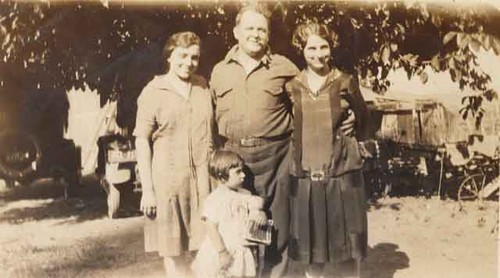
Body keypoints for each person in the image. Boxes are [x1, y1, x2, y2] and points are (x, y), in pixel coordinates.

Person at [209, 4, 299, 277]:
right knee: (238, 229)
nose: (256, 34)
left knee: (275, 228)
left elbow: (308, 107)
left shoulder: (284, 67)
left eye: (262, 29)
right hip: (235, 158)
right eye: (250, 28)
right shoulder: (219, 71)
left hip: (277, 156)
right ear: (236, 32)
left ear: (268, 35)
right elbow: (211, 117)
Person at [287, 22, 371, 278]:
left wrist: (355, 130)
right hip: (306, 176)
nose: (318, 54)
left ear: (331, 47)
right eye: (311, 48)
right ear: (301, 49)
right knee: (312, 250)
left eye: (324, 46)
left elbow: (366, 119)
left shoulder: (345, 81)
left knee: (347, 247)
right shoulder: (292, 86)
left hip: (342, 174)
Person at [134, 31, 214, 278]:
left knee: (208, 249)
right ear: (169, 56)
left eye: (194, 58)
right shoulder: (153, 90)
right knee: (174, 254)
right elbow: (141, 141)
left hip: (203, 181)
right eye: (182, 56)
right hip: (168, 182)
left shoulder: (203, 87)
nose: (188, 63)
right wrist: (147, 190)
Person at [192, 150, 267, 278]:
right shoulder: (215, 199)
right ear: (222, 177)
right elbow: (211, 228)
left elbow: (255, 207)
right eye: (238, 172)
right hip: (223, 249)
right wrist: (222, 252)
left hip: (241, 249)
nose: (243, 175)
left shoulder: (245, 194)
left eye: (242, 170)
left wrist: (260, 215)